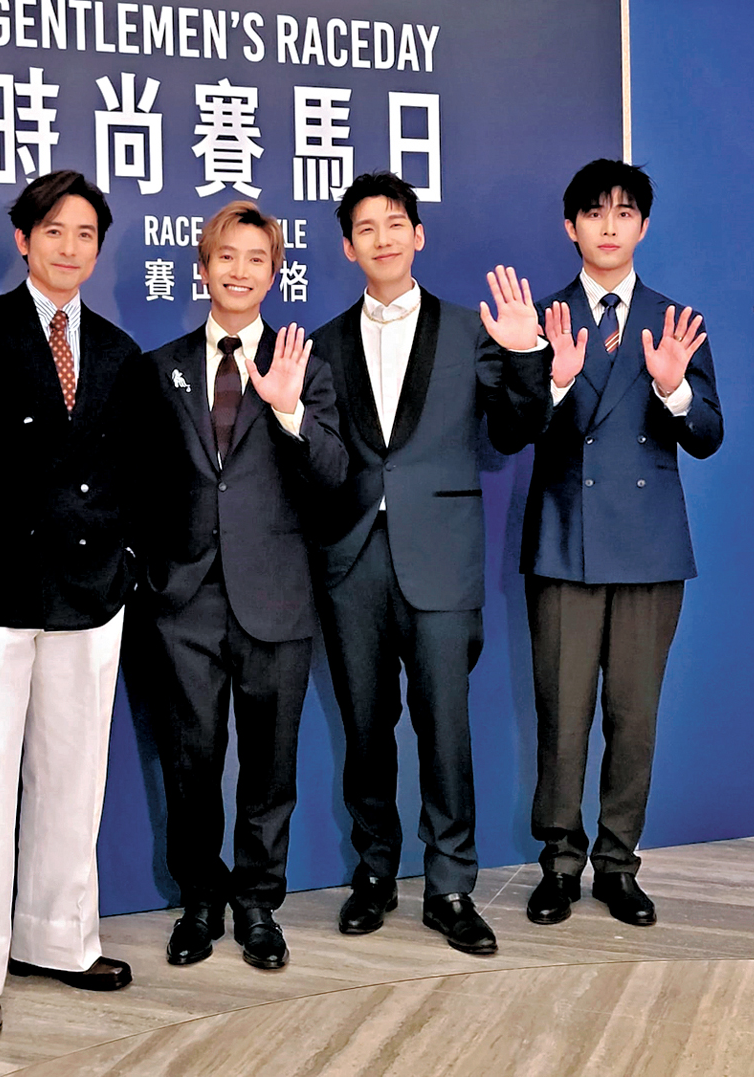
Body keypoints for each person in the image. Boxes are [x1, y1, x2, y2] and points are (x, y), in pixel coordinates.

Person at [0, 170, 139, 1040]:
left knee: (74, 774)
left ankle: (59, 938)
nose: (70, 247)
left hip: (91, 588)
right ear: (22, 239)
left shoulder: (116, 349)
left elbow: (131, 472)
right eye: (54, 230)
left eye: (85, 233)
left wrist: (126, 563)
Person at [311, 171, 551, 955]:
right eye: (365, 228)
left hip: (441, 559)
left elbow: (514, 431)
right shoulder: (322, 343)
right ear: (347, 248)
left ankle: (450, 885)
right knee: (364, 727)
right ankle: (373, 871)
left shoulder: (469, 327)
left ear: (417, 235)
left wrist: (525, 353)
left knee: (445, 728)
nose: (382, 238)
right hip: (351, 560)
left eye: (394, 223)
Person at [134, 201, 347, 970]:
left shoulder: (305, 366)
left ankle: (258, 902)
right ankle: (199, 900)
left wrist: (288, 410)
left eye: (256, 258)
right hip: (183, 601)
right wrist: (150, 575)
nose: (239, 270)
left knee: (269, 765)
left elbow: (333, 474)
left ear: (274, 272)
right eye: (226, 255)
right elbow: (137, 483)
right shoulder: (159, 367)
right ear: (202, 267)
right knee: (190, 761)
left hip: (277, 596)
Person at [521, 159, 722, 929]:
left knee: (633, 716)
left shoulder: (675, 321)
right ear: (569, 225)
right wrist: (552, 380)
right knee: (562, 713)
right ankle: (558, 863)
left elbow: (706, 433)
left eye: (624, 212)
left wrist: (673, 387)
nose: (609, 225)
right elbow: (508, 430)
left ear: (642, 225)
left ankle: (616, 863)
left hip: (648, 548)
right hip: (564, 541)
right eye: (594, 212)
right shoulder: (539, 318)